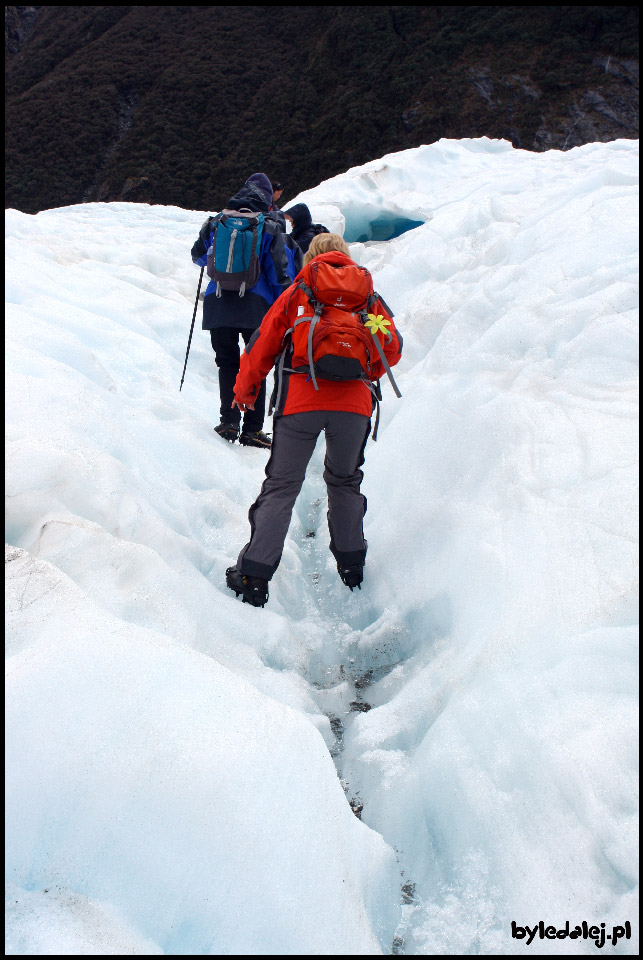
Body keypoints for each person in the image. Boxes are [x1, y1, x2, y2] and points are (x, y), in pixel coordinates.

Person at [225, 232, 403, 607]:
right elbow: (393, 348)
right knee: (344, 482)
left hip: (301, 402)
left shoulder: (299, 292)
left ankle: (254, 576)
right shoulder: (368, 298)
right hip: (354, 407)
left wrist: (245, 391)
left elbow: (263, 344)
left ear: (311, 257)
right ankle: (352, 566)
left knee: (282, 486)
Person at [191, 173, 295, 448]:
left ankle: (228, 422)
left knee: (227, 363)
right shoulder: (270, 225)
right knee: (255, 365)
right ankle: (252, 430)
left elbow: (198, 256)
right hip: (255, 308)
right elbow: (278, 272)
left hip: (219, 303)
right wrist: (281, 309)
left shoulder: (219, 221)